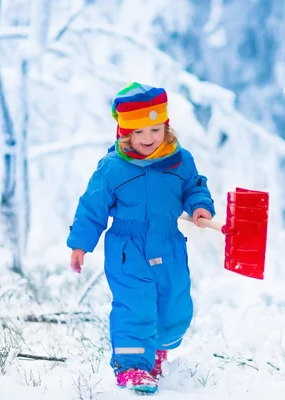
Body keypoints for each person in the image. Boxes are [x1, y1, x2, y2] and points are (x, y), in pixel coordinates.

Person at [66, 82, 215, 393]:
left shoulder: (180, 160)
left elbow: (193, 186)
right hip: (128, 249)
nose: (148, 139)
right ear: (125, 133)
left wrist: (200, 207)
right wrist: (80, 244)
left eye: (155, 130)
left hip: (170, 245)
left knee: (175, 304)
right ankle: (132, 367)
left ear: (166, 127)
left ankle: (156, 353)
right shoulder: (112, 168)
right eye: (139, 132)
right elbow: (92, 206)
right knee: (136, 305)